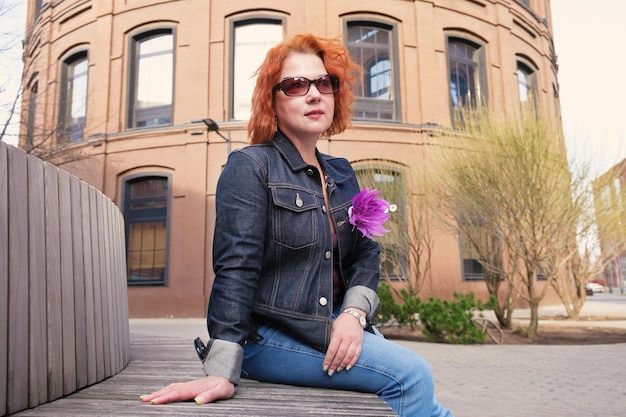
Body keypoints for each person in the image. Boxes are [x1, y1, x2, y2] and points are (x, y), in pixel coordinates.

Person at [141, 33, 453, 417]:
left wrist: (354, 315)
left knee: (407, 397)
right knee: (411, 376)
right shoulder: (251, 166)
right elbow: (235, 268)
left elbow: (367, 255)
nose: (314, 93)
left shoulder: (341, 173)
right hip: (269, 338)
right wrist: (221, 370)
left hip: (334, 328)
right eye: (295, 85)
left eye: (324, 83)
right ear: (271, 101)